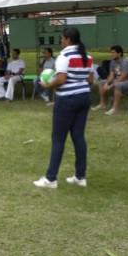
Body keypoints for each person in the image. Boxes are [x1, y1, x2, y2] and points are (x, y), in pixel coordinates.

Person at [34, 27, 94, 189]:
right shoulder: (87, 56)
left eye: (61, 38)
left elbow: (60, 79)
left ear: (67, 39)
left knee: (58, 139)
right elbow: (91, 79)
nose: (61, 41)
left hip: (67, 100)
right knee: (78, 137)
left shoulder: (64, 56)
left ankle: (50, 179)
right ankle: (80, 177)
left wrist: (47, 84)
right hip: (84, 98)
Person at [91, 45, 128, 116]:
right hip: (121, 81)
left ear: (119, 53)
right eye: (111, 52)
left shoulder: (126, 62)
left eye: (113, 52)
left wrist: (111, 86)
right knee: (102, 82)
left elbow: (123, 77)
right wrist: (107, 83)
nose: (111, 54)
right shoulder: (113, 62)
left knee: (118, 85)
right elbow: (111, 76)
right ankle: (102, 104)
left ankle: (115, 109)